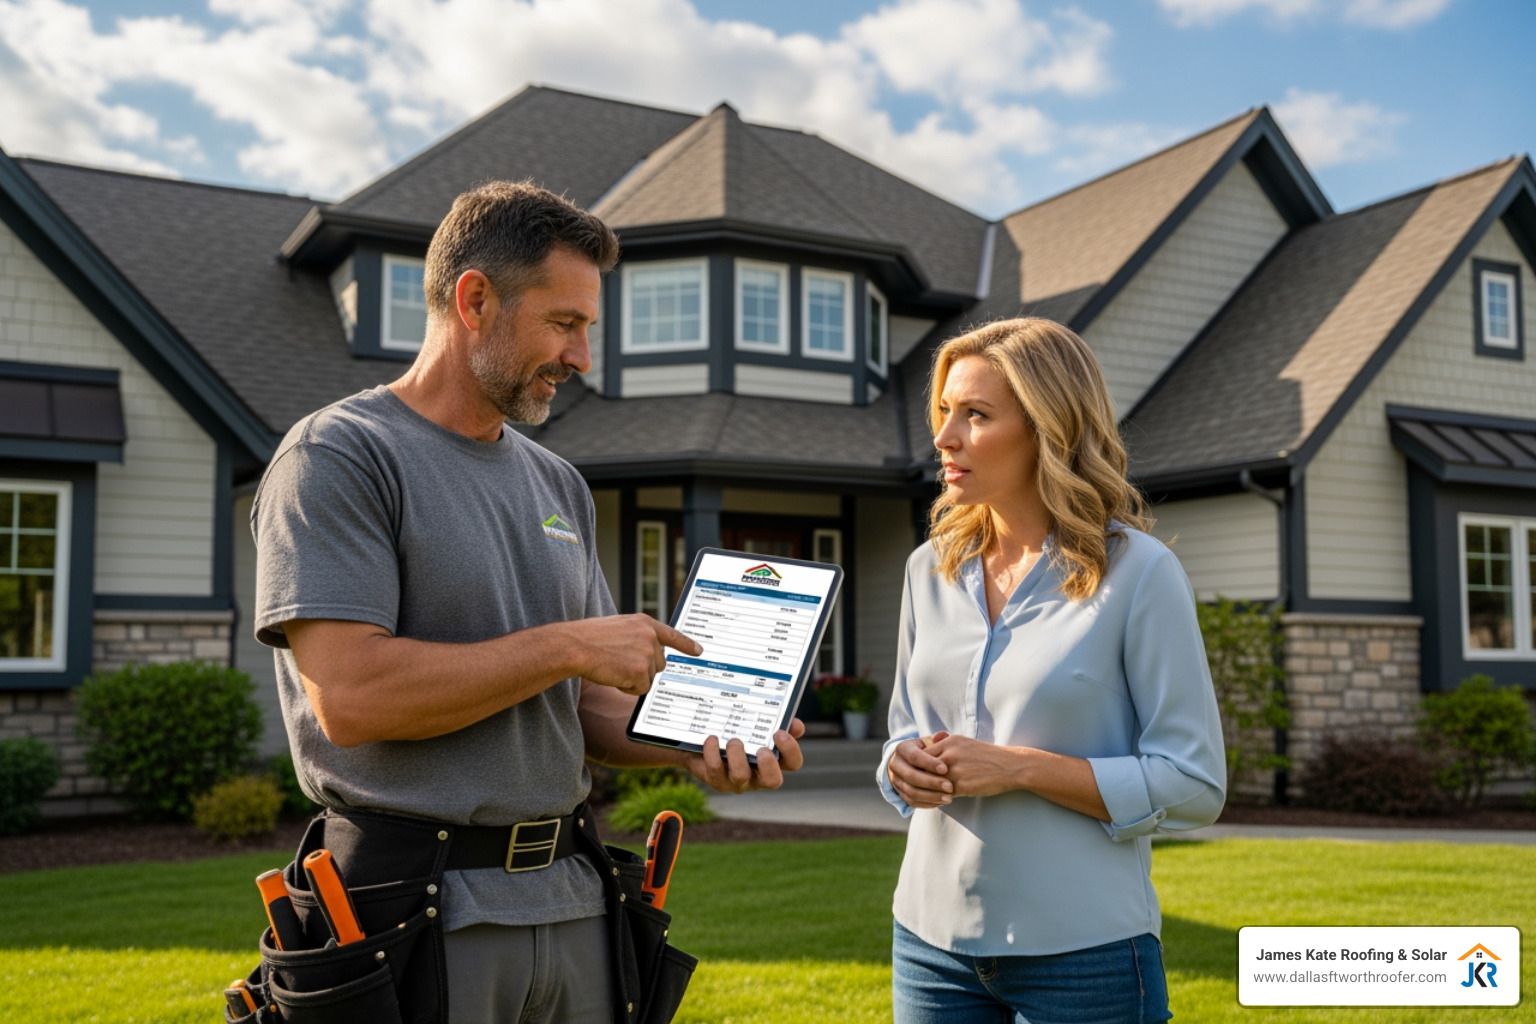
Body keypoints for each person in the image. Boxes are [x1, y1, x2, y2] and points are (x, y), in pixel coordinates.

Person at [252, 180, 802, 1024]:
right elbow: (352, 699)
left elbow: (581, 710)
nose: (582, 357)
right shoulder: (340, 456)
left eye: (588, 328)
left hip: (574, 895)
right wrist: (570, 645)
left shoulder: (557, 483)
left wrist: (698, 742)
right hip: (412, 905)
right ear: (475, 299)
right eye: (564, 324)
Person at [878, 317, 1226, 1024]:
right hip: (928, 947)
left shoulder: (1140, 574)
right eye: (945, 412)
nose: (945, 438)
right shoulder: (928, 570)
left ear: (1048, 428)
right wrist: (899, 767)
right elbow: (903, 734)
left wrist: (1021, 767)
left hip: (1086, 954)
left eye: (975, 415)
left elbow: (1194, 785)